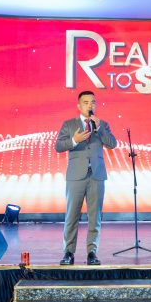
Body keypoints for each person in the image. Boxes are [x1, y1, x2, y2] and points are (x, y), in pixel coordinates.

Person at [55, 90, 117, 265]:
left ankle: (92, 252)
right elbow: (58, 146)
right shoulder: (69, 124)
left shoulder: (102, 124)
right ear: (79, 105)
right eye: (86, 102)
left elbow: (112, 144)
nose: (90, 105)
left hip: (96, 175)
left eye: (93, 102)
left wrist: (100, 128)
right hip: (76, 176)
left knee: (95, 216)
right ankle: (68, 252)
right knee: (72, 216)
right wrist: (74, 140)